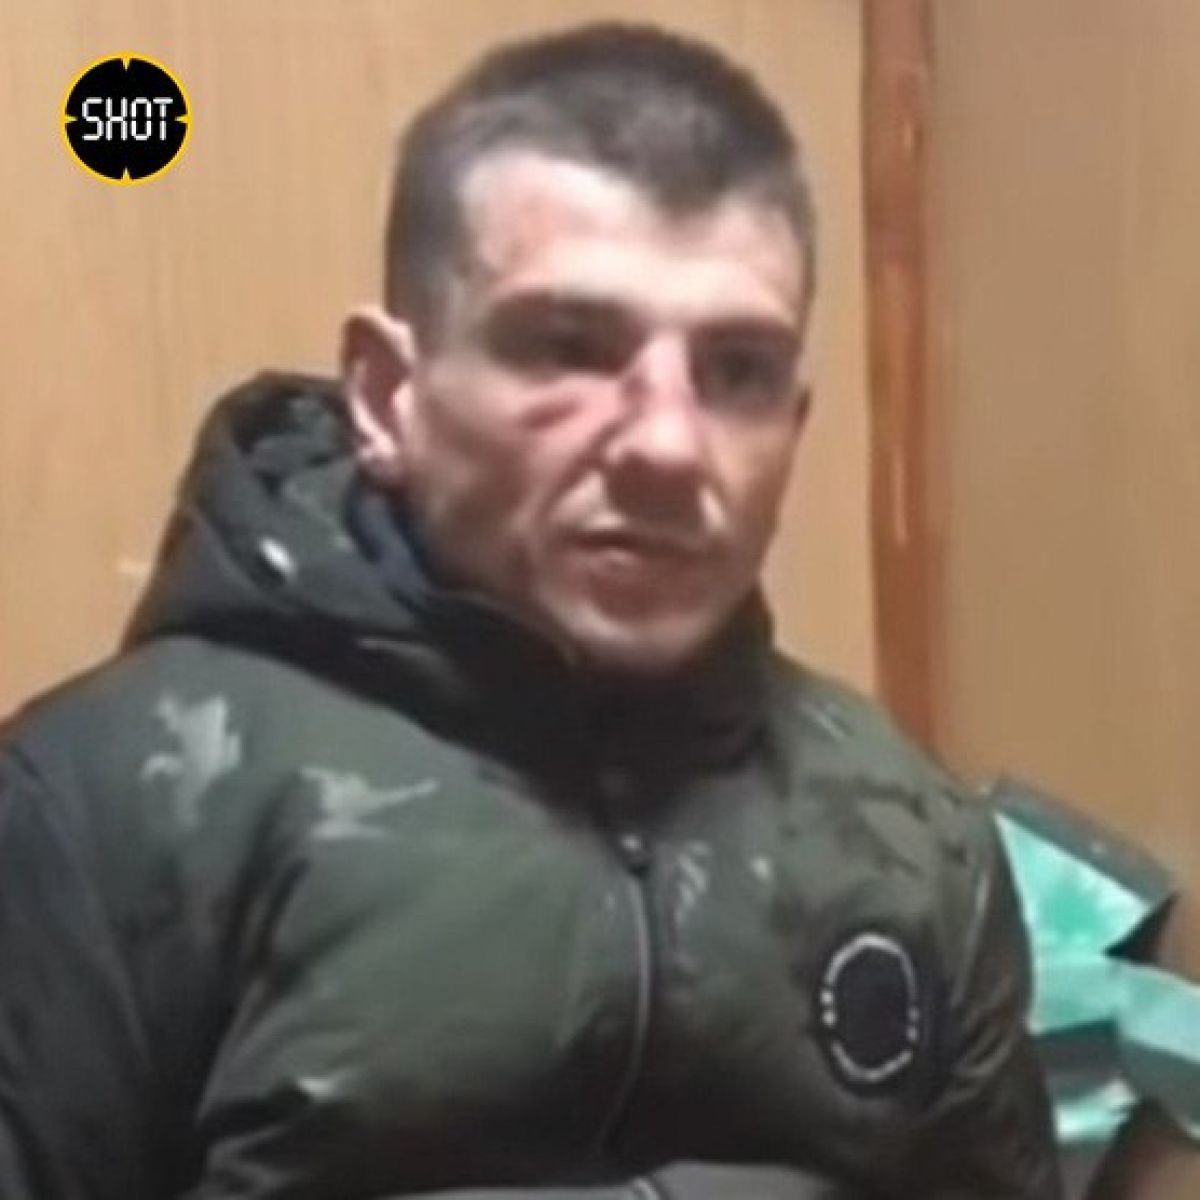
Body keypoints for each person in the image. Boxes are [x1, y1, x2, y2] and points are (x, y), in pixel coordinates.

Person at [0, 21, 1061, 1200]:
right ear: (387, 396)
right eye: (568, 348)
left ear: (795, 426)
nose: (668, 445)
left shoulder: (913, 839)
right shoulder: (102, 811)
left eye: (738, 372)